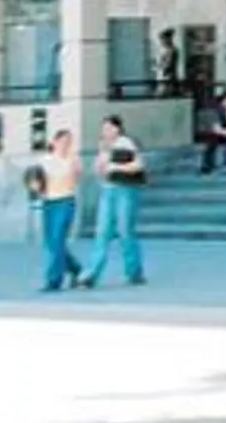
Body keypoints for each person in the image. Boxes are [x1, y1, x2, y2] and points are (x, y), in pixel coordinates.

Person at [78, 115, 146, 289]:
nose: (105, 131)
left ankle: (134, 271)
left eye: (108, 127)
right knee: (101, 232)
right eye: (103, 128)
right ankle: (91, 274)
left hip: (125, 190)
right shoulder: (104, 146)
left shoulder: (126, 143)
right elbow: (99, 170)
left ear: (117, 128)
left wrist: (116, 167)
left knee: (125, 230)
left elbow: (139, 165)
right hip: (107, 190)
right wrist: (101, 164)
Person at [36, 130, 83, 292]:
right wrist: (35, 186)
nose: (65, 145)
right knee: (51, 243)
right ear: (54, 142)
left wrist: (74, 165)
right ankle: (76, 269)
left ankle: (54, 280)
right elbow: (36, 181)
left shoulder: (72, 160)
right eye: (62, 141)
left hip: (65, 201)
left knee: (57, 239)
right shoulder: (44, 160)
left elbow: (75, 180)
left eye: (69, 142)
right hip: (49, 203)